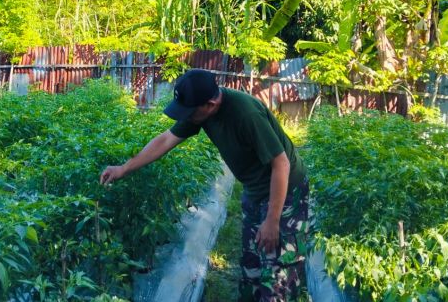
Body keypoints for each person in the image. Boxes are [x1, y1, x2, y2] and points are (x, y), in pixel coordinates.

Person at [99, 68, 311, 302]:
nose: (185, 116)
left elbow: (281, 165)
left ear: (211, 104)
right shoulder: (200, 111)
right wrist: (124, 168)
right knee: (252, 267)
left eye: (189, 112)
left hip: (286, 191)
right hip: (254, 189)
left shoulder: (245, 114)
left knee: (278, 274)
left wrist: (272, 220)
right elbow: (166, 139)